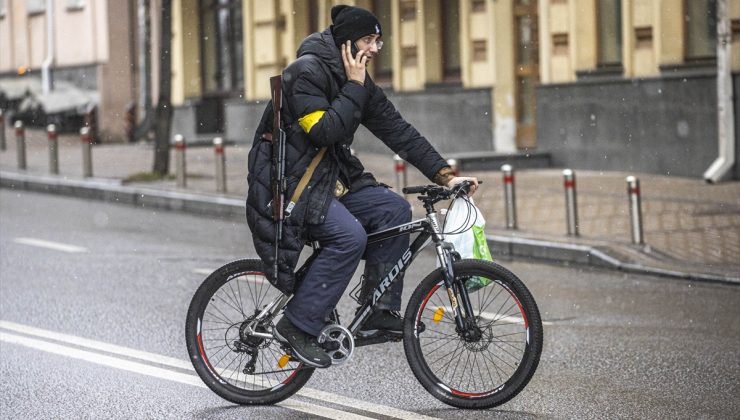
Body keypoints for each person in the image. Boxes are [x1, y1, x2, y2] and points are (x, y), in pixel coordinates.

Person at [246, 5, 478, 368]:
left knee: (394, 210)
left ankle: (378, 311)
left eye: (377, 41)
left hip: (329, 180)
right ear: (346, 43)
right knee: (349, 236)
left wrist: (446, 174)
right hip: (290, 185)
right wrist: (353, 86)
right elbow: (325, 131)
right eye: (367, 40)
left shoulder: (357, 82)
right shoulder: (303, 74)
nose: (373, 49)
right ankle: (296, 325)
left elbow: (397, 130)